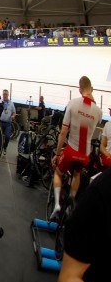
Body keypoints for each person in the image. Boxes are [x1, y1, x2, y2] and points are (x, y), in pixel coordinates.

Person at [50, 76, 102, 220]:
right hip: (84, 154)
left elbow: (63, 132)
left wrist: (57, 152)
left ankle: (57, 205)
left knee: (58, 173)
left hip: (71, 150)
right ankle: (71, 200)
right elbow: (94, 117)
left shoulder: (73, 103)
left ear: (79, 89)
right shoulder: (98, 111)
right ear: (92, 89)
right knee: (77, 174)